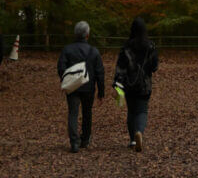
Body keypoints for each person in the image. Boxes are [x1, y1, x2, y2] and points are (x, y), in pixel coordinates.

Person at [57, 21, 105, 153]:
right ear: (87, 35)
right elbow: (100, 72)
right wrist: (101, 92)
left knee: (73, 113)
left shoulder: (67, 49)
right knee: (87, 113)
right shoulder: (94, 51)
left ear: (75, 34)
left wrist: (65, 80)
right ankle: (85, 139)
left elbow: (61, 67)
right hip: (88, 87)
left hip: (72, 86)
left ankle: (74, 142)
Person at [113, 17, 159, 153]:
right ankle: (139, 131)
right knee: (142, 110)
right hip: (144, 83)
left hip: (129, 83)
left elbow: (120, 67)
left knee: (131, 110)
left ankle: (132, 139)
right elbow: (154, 66)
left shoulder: (126, 46)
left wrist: (117, 84)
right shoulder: (150, 46)